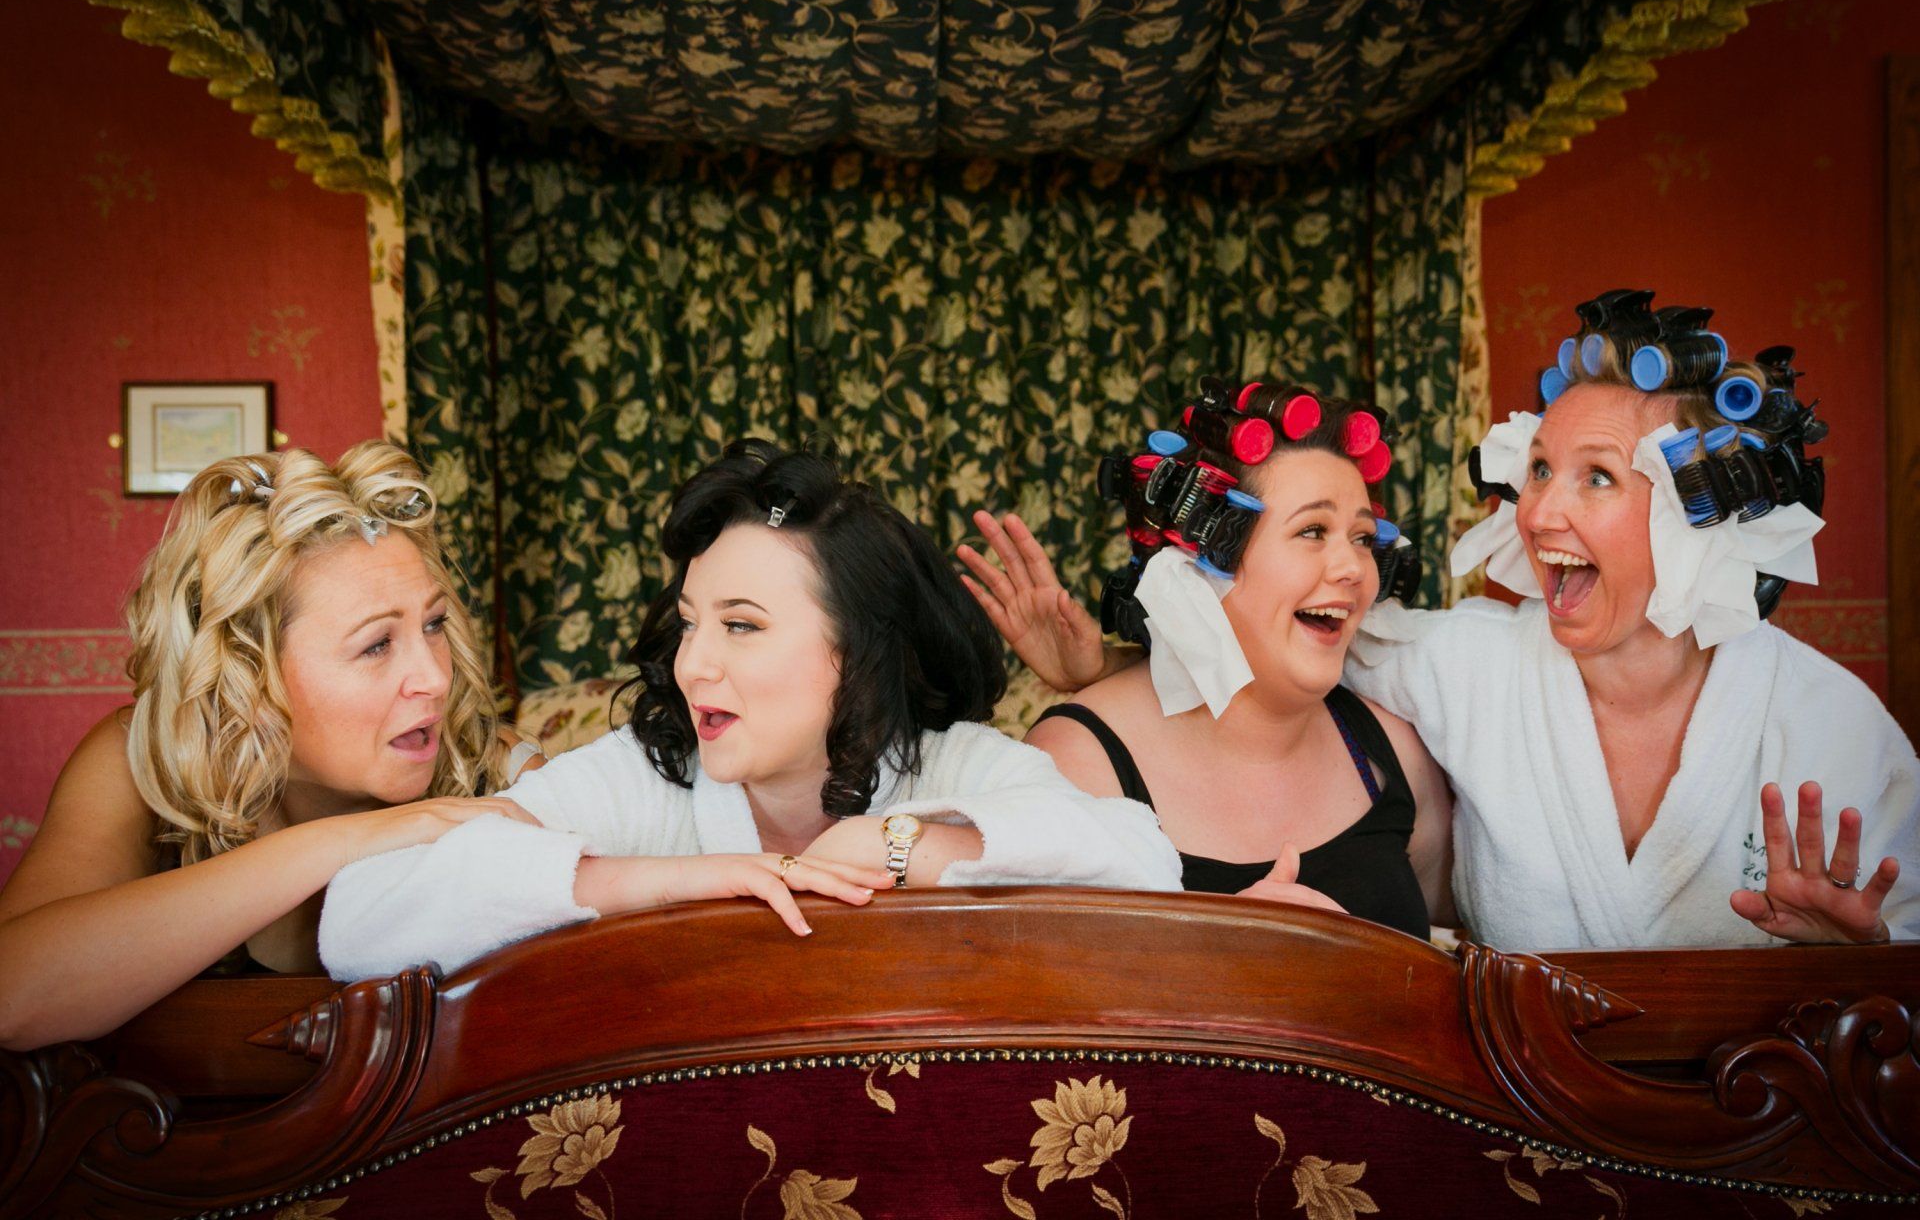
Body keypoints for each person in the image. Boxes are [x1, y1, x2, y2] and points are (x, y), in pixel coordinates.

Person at [967, 292, 1918, 948]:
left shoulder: (1828, 725)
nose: (1539, 513)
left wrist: (1860, 965)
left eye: (1595, 476)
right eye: (1537, 470)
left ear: (1704, 512)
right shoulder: (1464, 669)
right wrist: (1109, 667)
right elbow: (1272, 641)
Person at [0, 443, 872, 1052]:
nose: (433, 677)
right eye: (377, 645)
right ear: (250, 671)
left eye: (434, 627)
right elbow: (17, 996)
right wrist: (352, 839)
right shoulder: (138, 761)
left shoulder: (502, 774)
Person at [315, 442, 1182, 982]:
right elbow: (360, 918)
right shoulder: (642, 780)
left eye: (742, 626)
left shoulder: (953, 766)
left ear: (860, 649)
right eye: (691, 624)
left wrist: (896, 847)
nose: (694, 664)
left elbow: (1147, 864)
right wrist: (671, 884)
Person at [959, 382, 1452, 940]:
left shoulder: (1390, 753)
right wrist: (1219, 956)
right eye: (1312, 531)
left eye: (1362, 537)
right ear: (1201, 560)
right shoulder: (1081, 764)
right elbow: (1042, 989)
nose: (1354, 569)